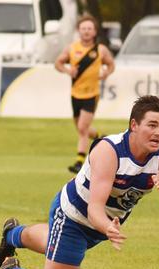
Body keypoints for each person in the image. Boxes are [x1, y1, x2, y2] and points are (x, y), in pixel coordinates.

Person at [0, 95, 159, 269]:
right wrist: (108, 227)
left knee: (52, 243)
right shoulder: (109, 151)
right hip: (74, 217)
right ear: (134, 125)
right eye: (152, 125)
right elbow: (94, 208)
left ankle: (12, 234)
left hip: (100, 227)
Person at [55, 14, 115, 174]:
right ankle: (101, 138)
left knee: (82, 127)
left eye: (89, 29)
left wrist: (106, 73)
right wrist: (68, 70)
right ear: (78, 31)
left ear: (94, 32)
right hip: (75, 94)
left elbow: (111, 64)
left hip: (91, 94)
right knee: (82, 129)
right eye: (83, 28)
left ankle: (79, 161)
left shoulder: (100, 50)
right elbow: (58, 63)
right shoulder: (71, 48)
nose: (86, 31)